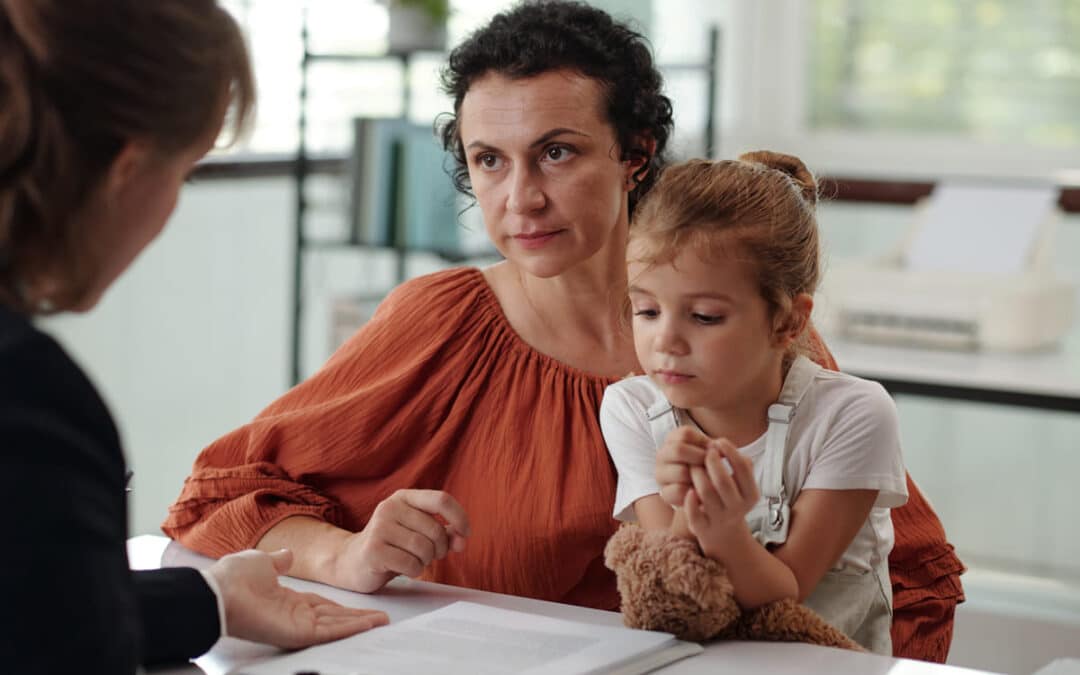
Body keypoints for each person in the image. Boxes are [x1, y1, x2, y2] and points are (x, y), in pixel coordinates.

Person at [163, 0, 963, 662]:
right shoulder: (441, 323)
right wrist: (347, 553)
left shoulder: (743, 327)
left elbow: (909, 571)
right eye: (489, 160)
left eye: (555, 152)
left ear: (635, 154)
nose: (521, 199)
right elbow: (223, 489)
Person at [0, 1, 388, 673]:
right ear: (127, 170)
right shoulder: (30, 397)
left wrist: (209, 600)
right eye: (184, 172)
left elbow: (29, 607)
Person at [600, 154, 907, 654]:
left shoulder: (852, 414)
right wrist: (687, 511)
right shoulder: (630, 409)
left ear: (787, 321)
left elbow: (787, 594)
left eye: (704, 316)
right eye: (648, 310)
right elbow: (674, 583)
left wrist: (723, 529)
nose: (665, 341)